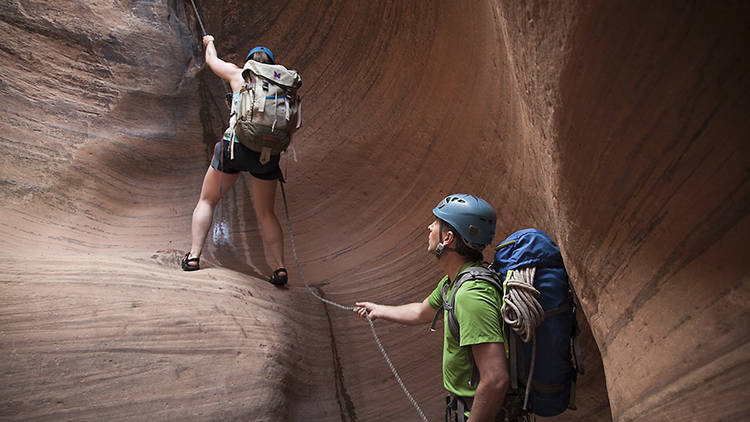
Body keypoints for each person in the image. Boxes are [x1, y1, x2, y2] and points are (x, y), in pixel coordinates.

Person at [354, 194, 509, 421]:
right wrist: (378, 309)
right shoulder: (455, 282)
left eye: (436, 223)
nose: (429, 226)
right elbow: (421, 311)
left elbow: (496, 378)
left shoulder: (471, 296)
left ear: (448, 238)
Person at [181, 35, 288, 286]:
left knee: (207, 200)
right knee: (266, 212)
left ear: (250, 62)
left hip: (233, 149)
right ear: (271, 65)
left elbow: (211, 60)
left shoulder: (238, 74)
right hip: (265, 154)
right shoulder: (281, 87)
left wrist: (209, 42)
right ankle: (280, 268)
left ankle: (194, 257)